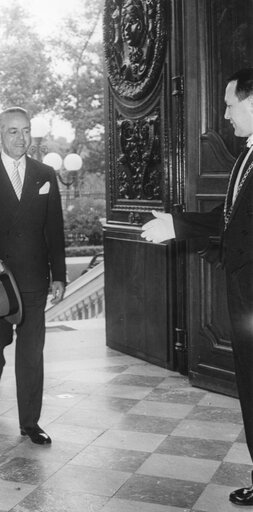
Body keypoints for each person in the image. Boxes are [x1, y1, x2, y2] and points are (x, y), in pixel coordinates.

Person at [141, 68, 253, 506]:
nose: (224, 115)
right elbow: (231, 221)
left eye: (230, 104)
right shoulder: (246, 154)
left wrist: (183, 226)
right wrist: (176, 224)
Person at [0, 107, 66, 445]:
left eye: (26, 131)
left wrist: (59, 275)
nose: (21, 139)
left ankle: (30, 423)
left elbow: (54, 230)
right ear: (0, 134)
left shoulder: (45, 174)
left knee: (32, 353)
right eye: (13, 132)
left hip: (33, 279)